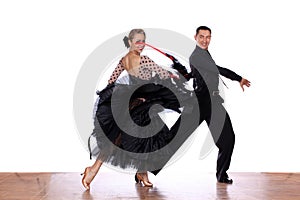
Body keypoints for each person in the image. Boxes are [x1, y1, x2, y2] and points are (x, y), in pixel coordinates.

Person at [81, 29, 191, 190]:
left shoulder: (123, 60)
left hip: (134, 103)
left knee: (123, 137)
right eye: (138, 41)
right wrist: (176, 75)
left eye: (143, 41)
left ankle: (97, 171)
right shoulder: (144, 59)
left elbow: (111, 82)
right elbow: (162, 73)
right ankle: (98, 171)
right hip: (139, 104)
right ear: (130, 42)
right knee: (149, 135)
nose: (141, 44)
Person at [189, 26, 251, 184]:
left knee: (227, 139)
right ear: (195, 37)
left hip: (213, 103)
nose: (205, 40)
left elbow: (202, 73)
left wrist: (188, 74)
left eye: (208, 37)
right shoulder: (197, 55)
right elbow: (216, 69)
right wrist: (238, 78)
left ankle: (222, 175)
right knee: (175, 138)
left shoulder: (203, 53)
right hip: (200, 103)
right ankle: (144, 169)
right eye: (201, 36)